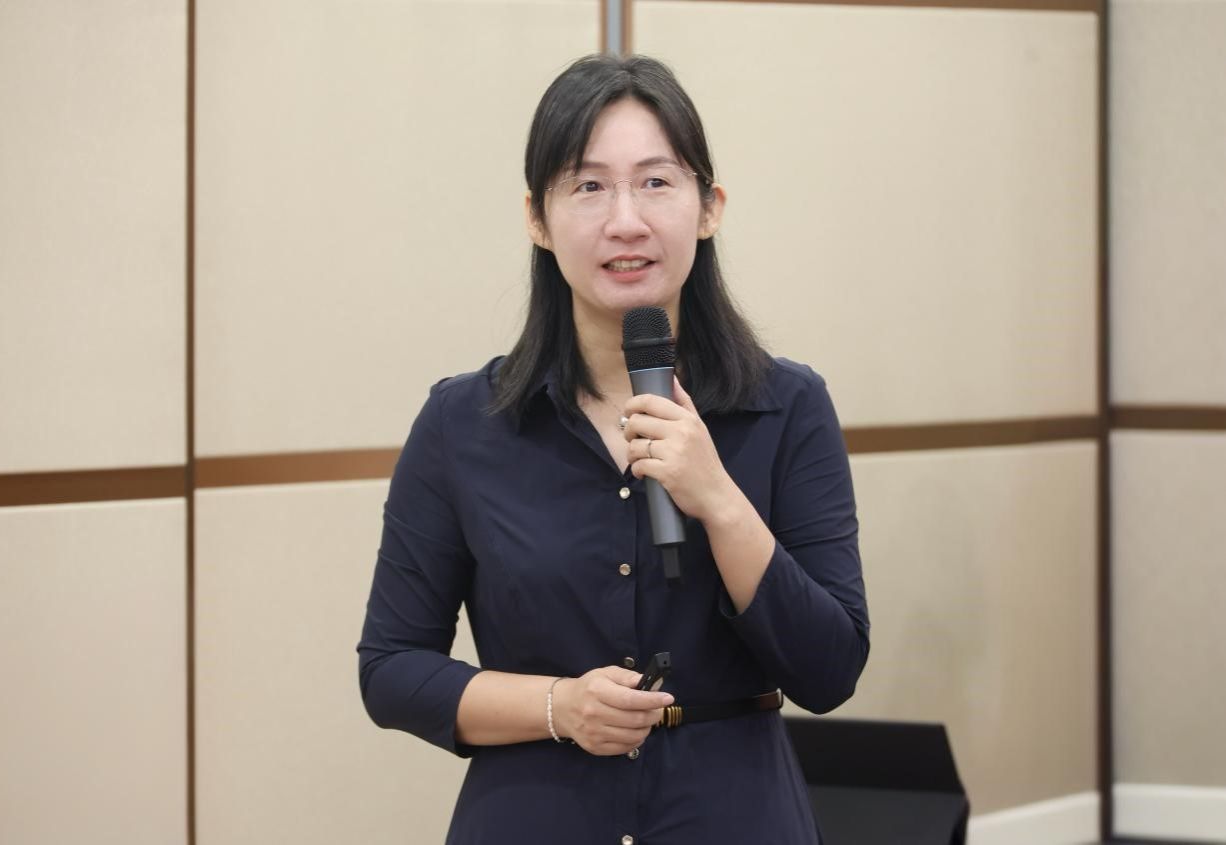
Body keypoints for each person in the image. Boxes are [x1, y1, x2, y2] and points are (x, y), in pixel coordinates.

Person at [358, 54, 869, 844]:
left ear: (709, 207)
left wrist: (718, 498)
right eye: (589, 186)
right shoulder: (465, 422)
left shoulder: (788, 406)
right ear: (538, 218)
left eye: (656, 182)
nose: (625, 220)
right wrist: (558, 705)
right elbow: (391, 667)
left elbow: (830, 671)